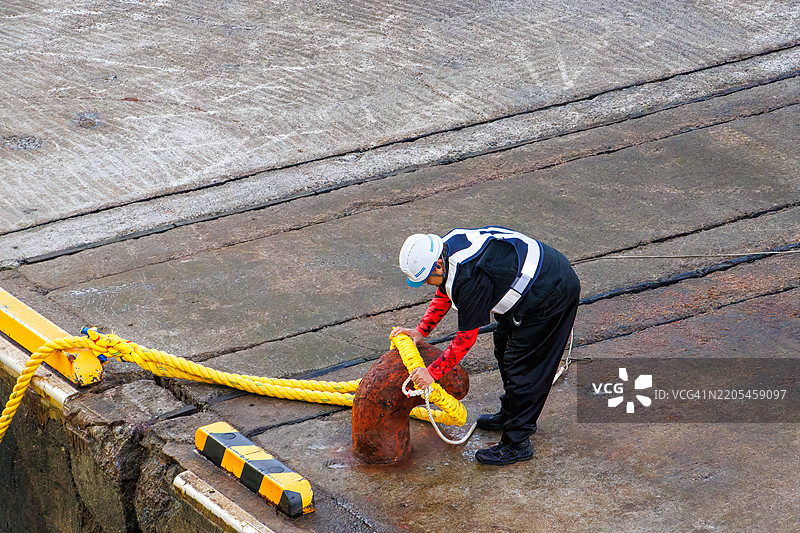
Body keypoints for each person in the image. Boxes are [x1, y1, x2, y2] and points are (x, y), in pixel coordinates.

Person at [391, 226, 580, 465]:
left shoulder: (470, 277)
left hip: (552, 293)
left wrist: (432, 374)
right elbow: (445, 291)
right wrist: (421, 331)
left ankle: (517, 443)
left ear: (438, 264)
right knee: (503, 348)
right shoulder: (444, 249)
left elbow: (465, 339)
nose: (428, 284)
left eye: (427, 277)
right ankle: (510, 415)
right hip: (527, 286)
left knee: (524, 366)